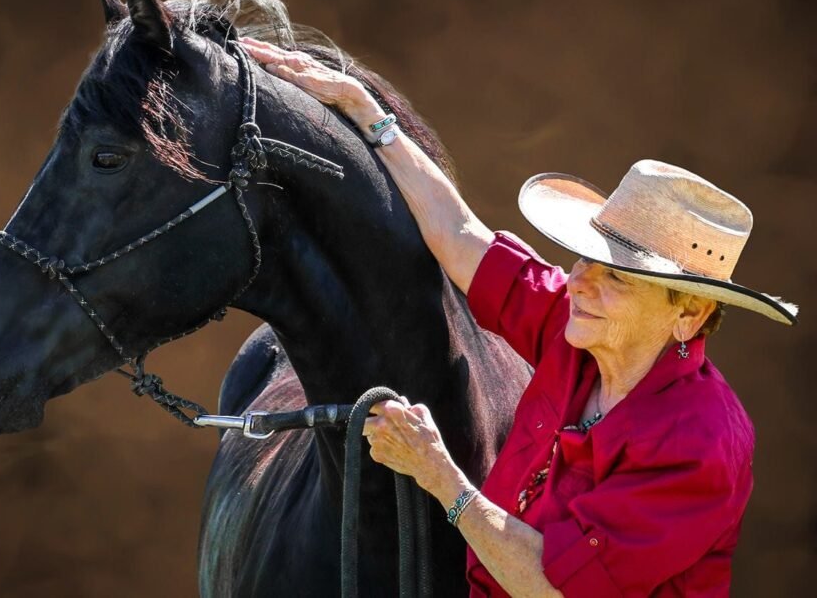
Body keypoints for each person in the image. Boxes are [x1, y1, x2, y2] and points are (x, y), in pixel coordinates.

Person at [238, 36, 799, 596]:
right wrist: (370, 115)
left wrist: (440, 476)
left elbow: (553, 588)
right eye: (586, 259)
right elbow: (460, 238)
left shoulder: (699, 441)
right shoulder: (574, 326)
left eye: (617, 276)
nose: (578, 281)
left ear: (690, 313)